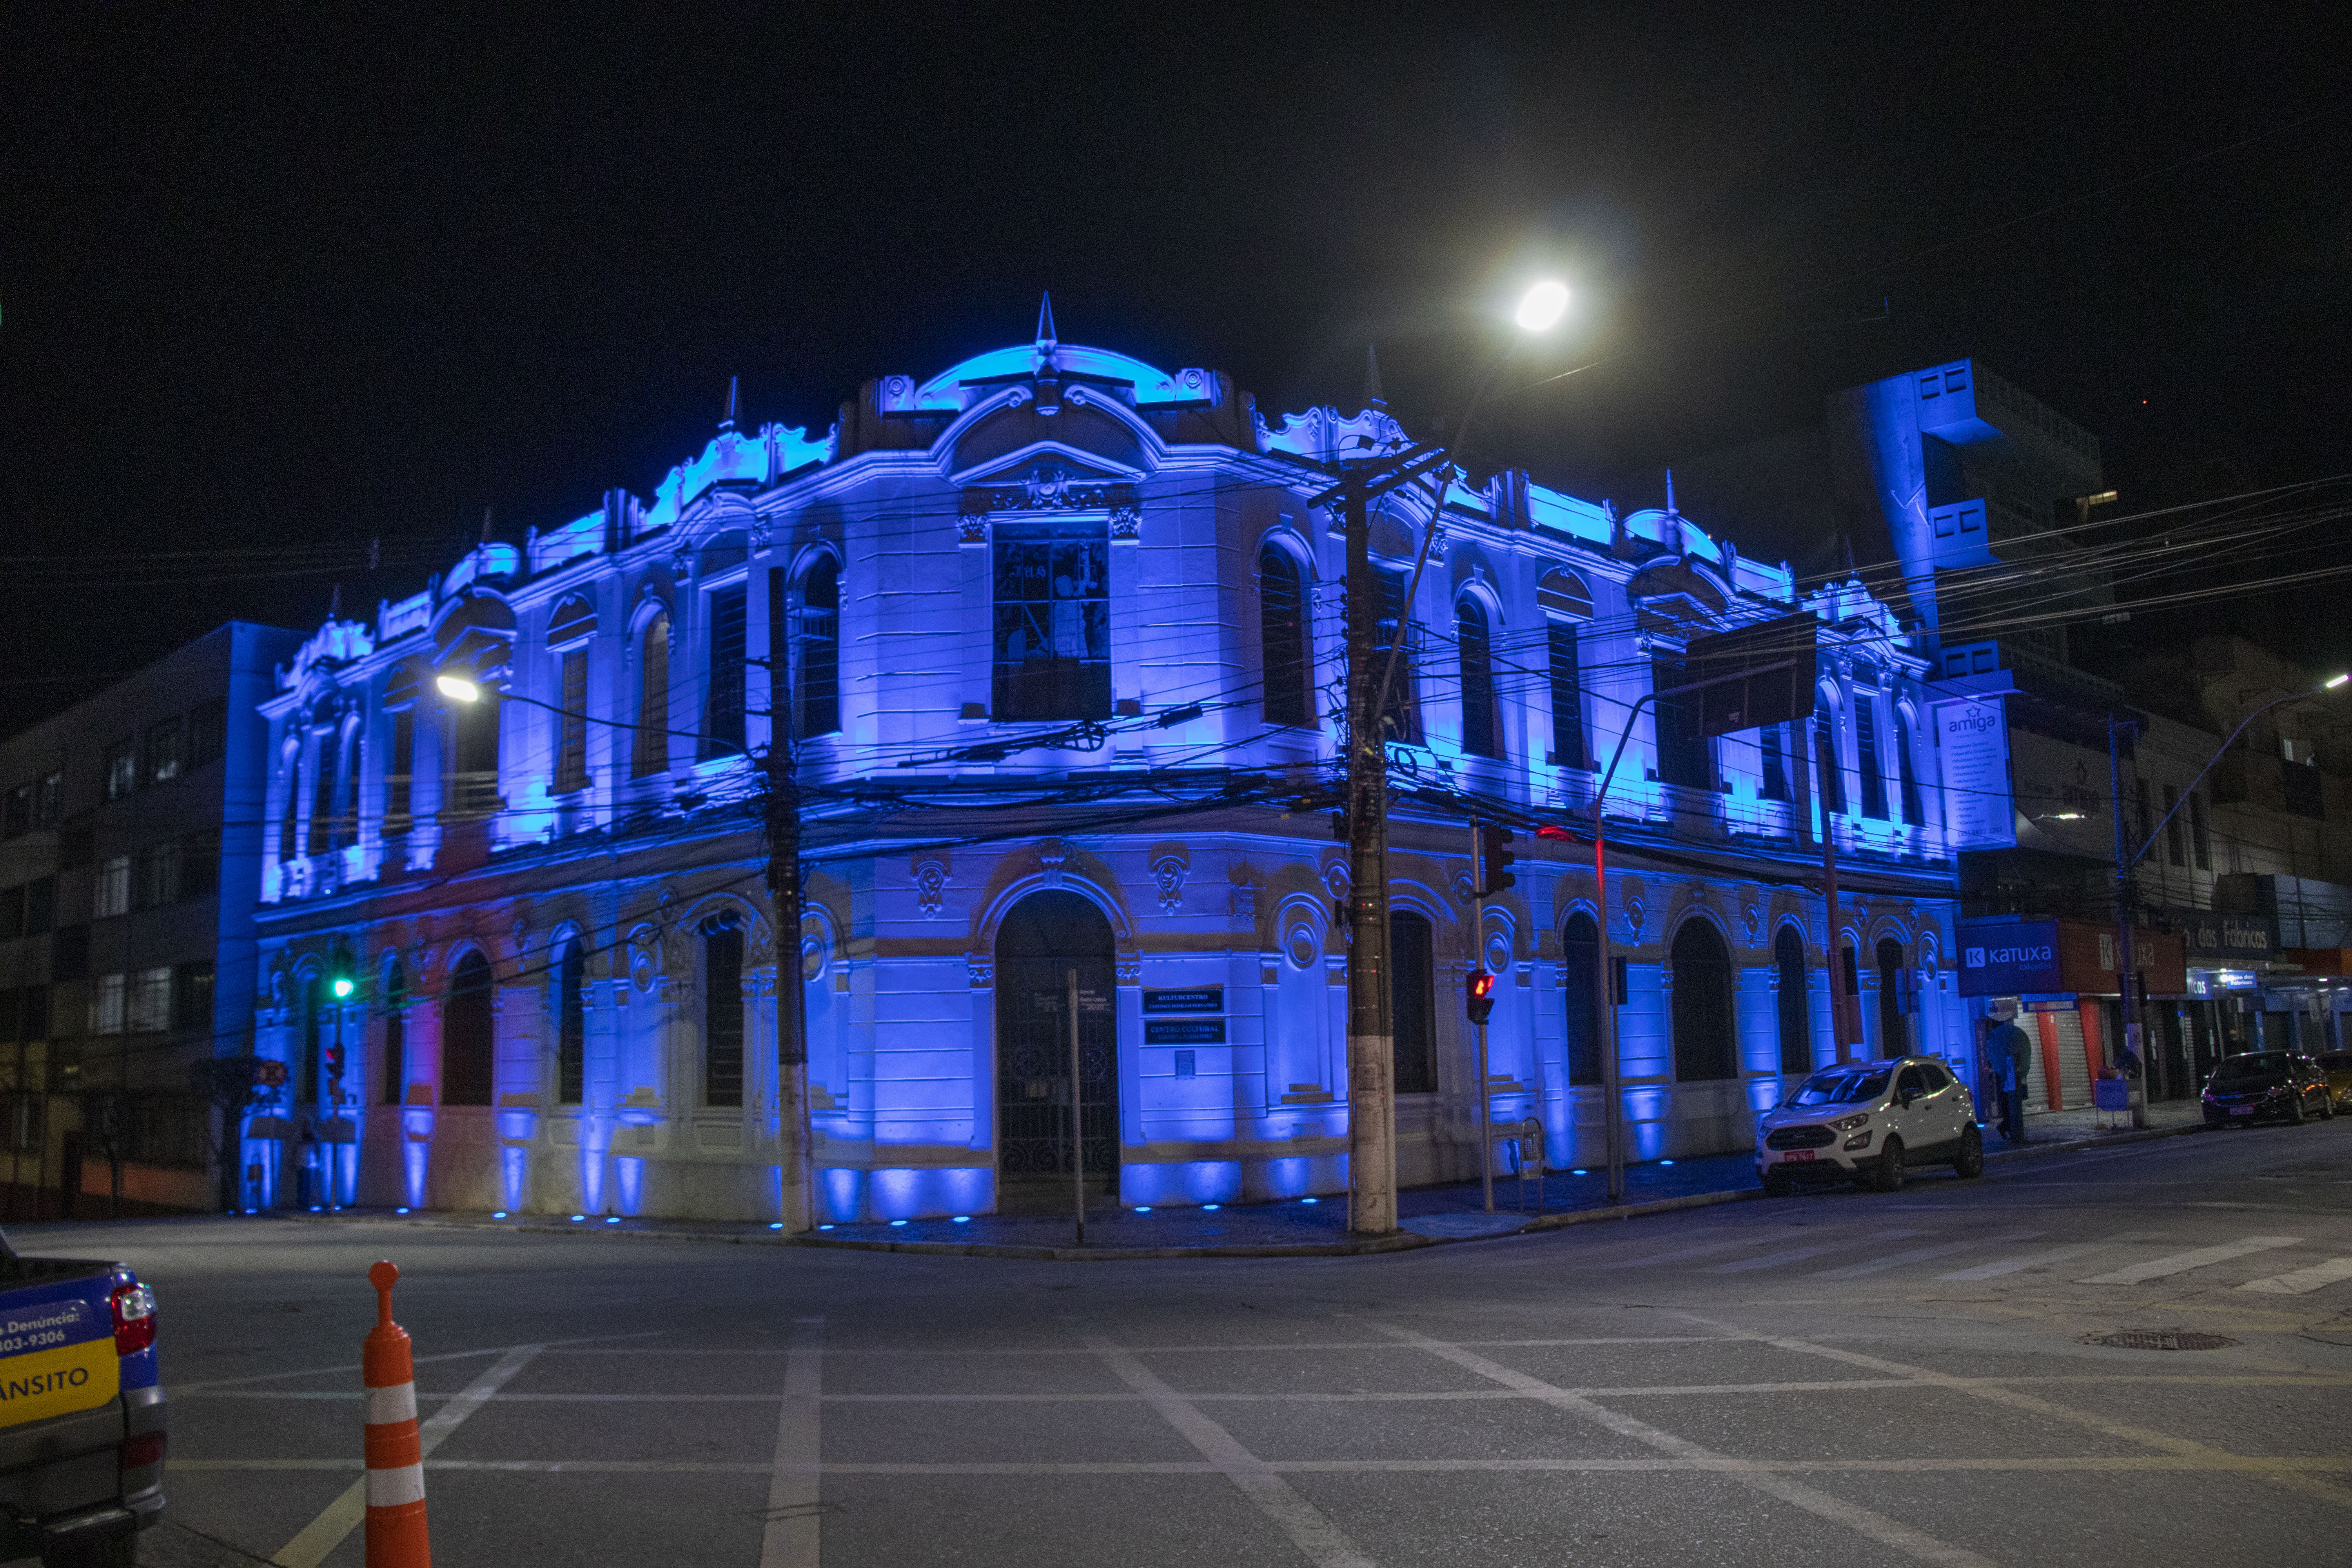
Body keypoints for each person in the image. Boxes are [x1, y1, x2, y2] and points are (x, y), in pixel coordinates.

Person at [1986, 1018, 2034, 1144]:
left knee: (2010, 1112)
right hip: (2008, 1089)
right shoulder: (2007, 1067)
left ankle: (2011, 1131)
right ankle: (2009, 1130)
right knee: (2009, 1112)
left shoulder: (2010, 1067)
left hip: (2010, 1087)